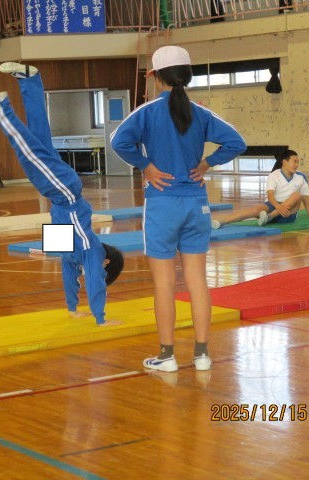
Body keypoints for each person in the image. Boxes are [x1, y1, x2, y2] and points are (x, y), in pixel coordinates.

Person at [110, 45, 247, 372]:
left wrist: (146, 166)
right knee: (197, 281)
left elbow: (118, 141)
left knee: (164, 284)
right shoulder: (201, 113)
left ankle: (167, 356)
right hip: (196, 204)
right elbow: (237, 142)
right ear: (186, 75)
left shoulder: (146, 112)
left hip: (162, 204)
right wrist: (207, 163)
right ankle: (202, 355)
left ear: (156, 77)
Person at [0, 62, 124, 327]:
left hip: (59, 195)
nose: (92, 274)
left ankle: (29, 80)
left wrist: (72, 308)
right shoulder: (91, 250)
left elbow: (69, 275)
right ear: (106, 261)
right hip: (65, 192)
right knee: (28, 154)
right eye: (103, 272)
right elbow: (95, 282)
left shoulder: (73, 255)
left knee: (38, 136)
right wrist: (100, 319)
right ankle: (0, 109)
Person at [211, 149, 309, 228]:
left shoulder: (301, 177)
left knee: (297, 195)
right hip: (273, 206)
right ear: (285, 162)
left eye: (298, 162)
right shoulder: (274, 175)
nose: (296, 165)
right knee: (255, 209)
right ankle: (222, 221)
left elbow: (305, 199)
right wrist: (278, 207)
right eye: (294, 162)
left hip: (288, 213)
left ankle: (270, 217)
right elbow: (270, 196)